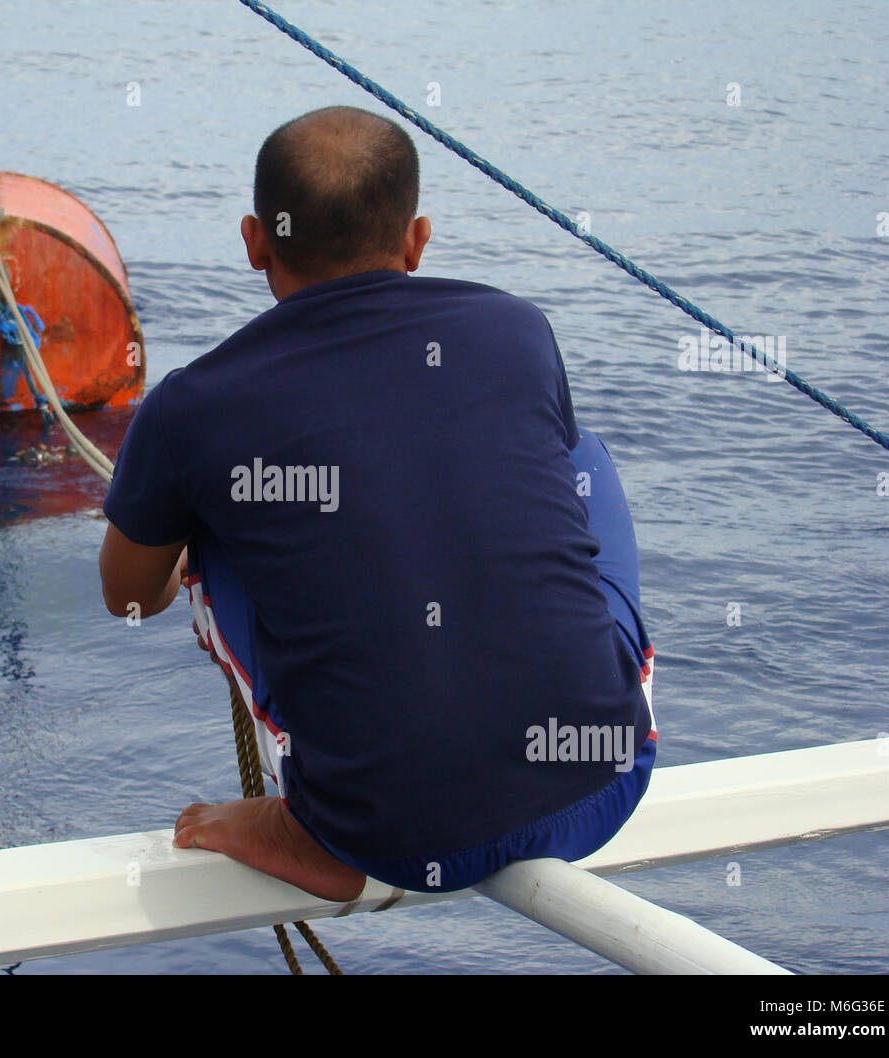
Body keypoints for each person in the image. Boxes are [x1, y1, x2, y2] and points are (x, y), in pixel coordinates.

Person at [98, 105, 656, 903]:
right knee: (582, 458)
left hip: (382, 836)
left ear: (255, 240)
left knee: (219, 517)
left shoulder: (192, 407)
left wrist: (185, 552)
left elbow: (125, 597)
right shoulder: (516, 327)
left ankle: (305, 823)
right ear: (416, 240)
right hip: (603, 783)